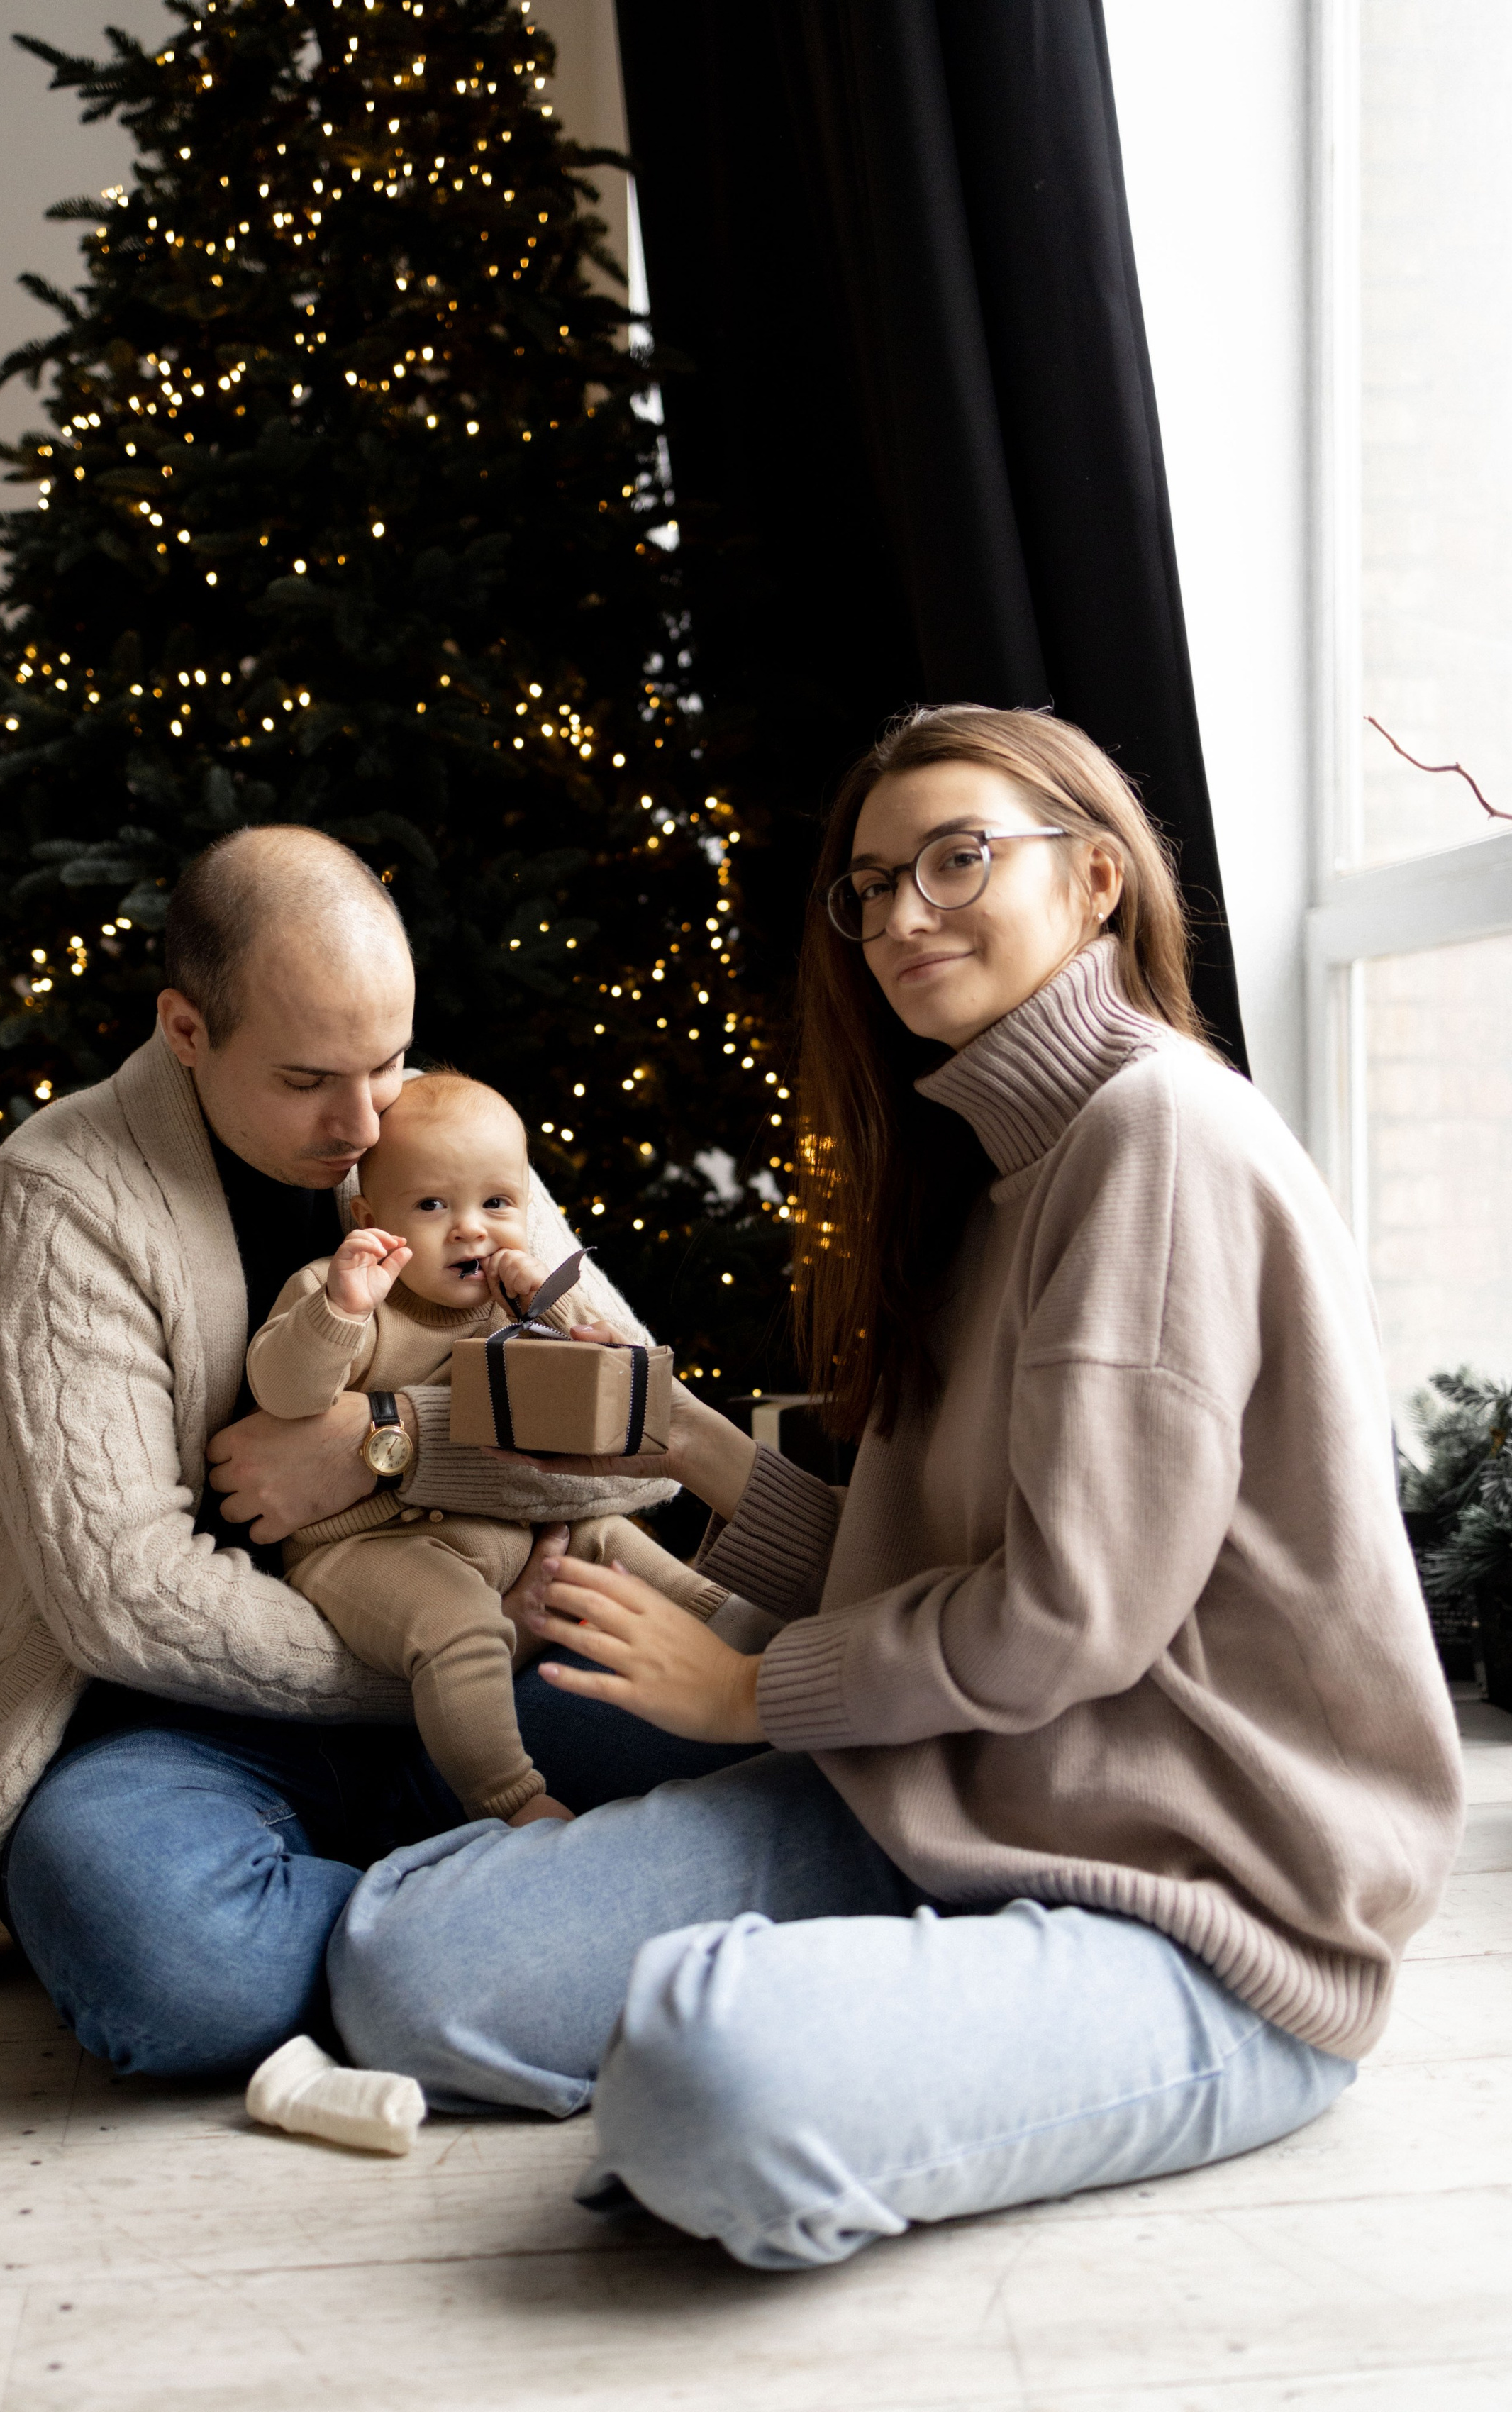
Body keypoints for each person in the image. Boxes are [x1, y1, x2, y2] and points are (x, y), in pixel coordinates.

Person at [326, 704, 1467, 2272]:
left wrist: (744, 1692)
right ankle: (884, 2005)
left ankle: (866, 2031)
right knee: (412, 1964)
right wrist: (690, 1446)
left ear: (1093, 883)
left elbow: (1064, 1616)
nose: (899, 913)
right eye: (868, 884)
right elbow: (926, 1552)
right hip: (945, 1790)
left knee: (701, 2075)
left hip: (1201, 1904)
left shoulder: (1157, 1131)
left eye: (957, 856)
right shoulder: (990, 1163)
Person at [0, 825, 760, 2070]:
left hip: (491, 1663)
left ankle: (435, 1912)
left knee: (781, 1729)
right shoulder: (62, 1197)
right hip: (181, 1721)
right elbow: (123, 1602)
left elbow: (641, 1440)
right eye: (311, 1078)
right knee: (165, 1957)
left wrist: (391, 1441)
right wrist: (450, 1656)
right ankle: (513, 1917)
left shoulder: (436, 1140)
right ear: (187, 1027)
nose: (365, 1121)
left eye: (389, 1062)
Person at [246, 1067, 738, 1828]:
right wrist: (341, 1309)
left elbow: (608, 1386)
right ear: (373, 1217)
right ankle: (509, 1797)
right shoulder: (346, 1289)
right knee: (457, 1625)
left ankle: (733, 1627)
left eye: (497, 1203)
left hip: (510, 1526)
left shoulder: (517, 1299)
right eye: (434, 1204)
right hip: (376, 1546)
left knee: (617, 1547)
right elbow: (284, 1390)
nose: (472, 1229)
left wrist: (550, 1296)